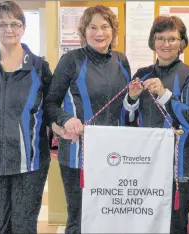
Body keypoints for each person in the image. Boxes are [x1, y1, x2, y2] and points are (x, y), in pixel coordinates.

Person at [0, 1, 54, 233]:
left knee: (24, 226)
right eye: (2, 24)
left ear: (23, 27)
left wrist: (62, 124)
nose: (9, 29)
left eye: (15, 24)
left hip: (30, 161)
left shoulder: (38, 66)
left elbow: (53, 106)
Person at [45, 5, 132, 234]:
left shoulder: (122, 61)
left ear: (113, 30)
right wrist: (66, 119)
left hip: (113, 154)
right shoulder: (70, 60)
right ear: (84, 31)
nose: (99, 33)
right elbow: (50, 104)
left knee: (109, 216)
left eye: (105, 26)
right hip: (77, 155)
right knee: (79, 219)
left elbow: (126, 106)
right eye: (92, 27)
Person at [123, 15, 189, 234]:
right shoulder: (142, 74)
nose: (165, 44)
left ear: (181, 43)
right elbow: (130, 124)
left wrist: (165, 94)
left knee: (175, 223)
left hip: (183, 165)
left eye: (172, 39)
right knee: (148, 221)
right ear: (153, 41)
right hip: (147, 162)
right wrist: (131, 99)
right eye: (160, 38)